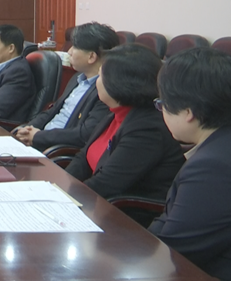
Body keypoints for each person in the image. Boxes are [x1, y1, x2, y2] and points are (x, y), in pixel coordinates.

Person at [65, 44, 184, 225]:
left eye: (101, 75)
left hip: (127, 220)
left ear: (118, 83)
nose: (97, 81)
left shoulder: (147, 129)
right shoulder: (116, 113)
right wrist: (59, 187)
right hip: (96, 205)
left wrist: (64, 199)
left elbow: (107, 184)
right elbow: (83, 157)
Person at [149, 48, 231, 279]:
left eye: (162, 104)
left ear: (188, 112)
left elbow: (177, 253)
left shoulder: (212, 167)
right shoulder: (219, 145)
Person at [13, 22, 119, 150]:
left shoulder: (106, 92)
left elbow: (84, 134)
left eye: (75, 47)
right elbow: (53, 111)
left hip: (56, 150)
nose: (69, 52)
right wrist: (28, 129)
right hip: (40, 140)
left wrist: (38, 136)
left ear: (91, 57)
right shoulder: (77, 78)